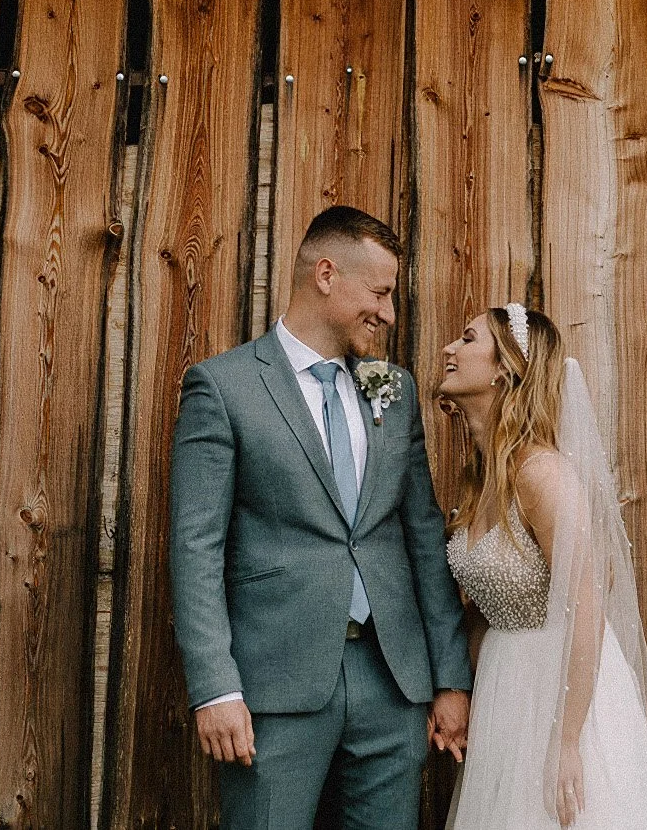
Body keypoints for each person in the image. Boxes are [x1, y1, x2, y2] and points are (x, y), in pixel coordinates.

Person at [170, 205, 473, 830]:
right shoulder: (223, 387)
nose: (389, 314)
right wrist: (216, 688)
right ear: (327, 274)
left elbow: (421, 537)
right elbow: (195, 549)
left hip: (393, 683)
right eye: (381, 293)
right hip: (273, 686)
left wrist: (450, 679)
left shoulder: (395, 387)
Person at [434, 303, 647, 829]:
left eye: (468, 338)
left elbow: (587, 612)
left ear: (505, 368)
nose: (450, 348)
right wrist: (462, 692)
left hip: (564, 691)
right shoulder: (482, 484)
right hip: (505, 687)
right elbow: (490, 612)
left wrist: (567, 742)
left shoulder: (545, 478)